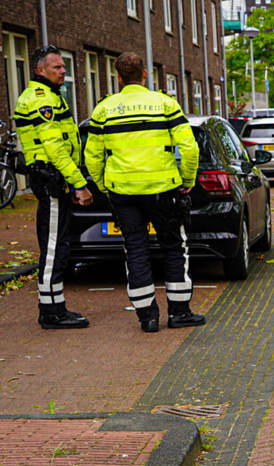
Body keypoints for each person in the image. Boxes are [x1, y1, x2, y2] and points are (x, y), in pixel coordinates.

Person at [84, 52, 204, 333]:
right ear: (145, 75)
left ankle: (147, 318)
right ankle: (179, 313)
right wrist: (187, 179)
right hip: (163, 191)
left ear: (118, 77)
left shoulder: (103, 110)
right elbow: (189, 147)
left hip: (123, 193)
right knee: (174, 247)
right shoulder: (164, 104)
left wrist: (105, 185)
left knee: (135, 250)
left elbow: (92, 155)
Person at [14, 46, 93, 329]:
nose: (63, 71)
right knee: (53, 248)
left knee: (58, 245)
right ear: (40, 70)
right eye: (57, 67)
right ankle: (51, 313)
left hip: (53, 178)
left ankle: (55, 307)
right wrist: (79, 183)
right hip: (51, 180)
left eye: (63, 67)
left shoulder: (50, 96)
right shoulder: (41, 99)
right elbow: (55, 148)